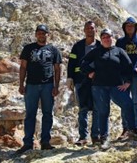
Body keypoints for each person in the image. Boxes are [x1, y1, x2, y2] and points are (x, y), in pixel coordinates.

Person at [81, 29, 137, 149]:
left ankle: (132, 131)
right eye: (104, 37)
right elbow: (83, 62)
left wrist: (128, 82)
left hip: (116, 86)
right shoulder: (96, 52)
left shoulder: (119, 51)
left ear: (112, 38)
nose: (106, 39)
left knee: (128, 104)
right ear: (101, 39)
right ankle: (104, 138)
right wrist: (89, 72)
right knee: (103, 111)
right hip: (99, 86)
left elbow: (129, 66)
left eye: (108, 36)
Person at [16, 24, 62, 154]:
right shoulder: (28, 48)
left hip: (48, 86)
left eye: (44, 33)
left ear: (48, 34)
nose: (42, 35)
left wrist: (56, 86)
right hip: (31, 85)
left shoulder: (54, 50)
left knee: (47, 113)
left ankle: (45, 141)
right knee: (30, 114)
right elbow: (23, 67)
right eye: (39, 33)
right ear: (36, 34)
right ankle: (28, 143)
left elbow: (57, 69)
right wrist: (21, 84)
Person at [67, 20, 101, 146]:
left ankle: (95, 136)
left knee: (97, 108)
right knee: (83, 109)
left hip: (96, 82)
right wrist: (70, 78)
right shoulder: (77, 46)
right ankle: (83, 137)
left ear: (95, 30)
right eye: (87, 28)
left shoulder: (100, 46)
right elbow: (71, 63)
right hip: (80, 81)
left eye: (92, 28)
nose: (89, 30)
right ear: (84, 30)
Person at [115, 17, 137, 140]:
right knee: (125, 102)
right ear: (124, 27)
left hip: (136, 76)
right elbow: (118, 58)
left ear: (136, 27)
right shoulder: (120, 42)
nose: (130, 28)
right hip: (123, 76)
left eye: (132, 26)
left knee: (136, 102)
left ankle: (135, 128)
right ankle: (126, 128)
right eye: (127, 26)